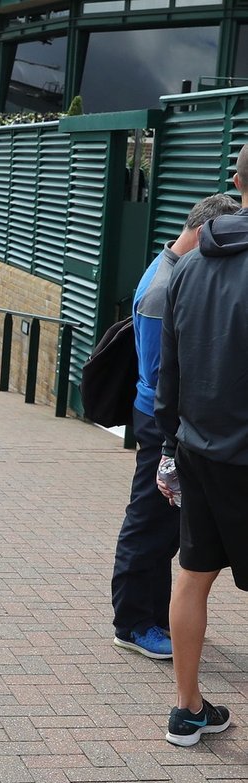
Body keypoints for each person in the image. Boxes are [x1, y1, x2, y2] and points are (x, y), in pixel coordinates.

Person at [111, 193, 239, 661]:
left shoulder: (170, 268)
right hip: (159, 420)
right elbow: (164, 369)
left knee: (164, 526)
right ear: (206, 231)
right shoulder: (169, 284)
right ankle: (133, 623)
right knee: (148, 523)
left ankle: (156, 616)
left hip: (163, 418)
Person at [155, 147, 248, 748]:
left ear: (238, 181)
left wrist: (169, 445)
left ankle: (186, 710)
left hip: (198, 448)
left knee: (191, 575)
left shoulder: (188, 265)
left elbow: (171, 370)